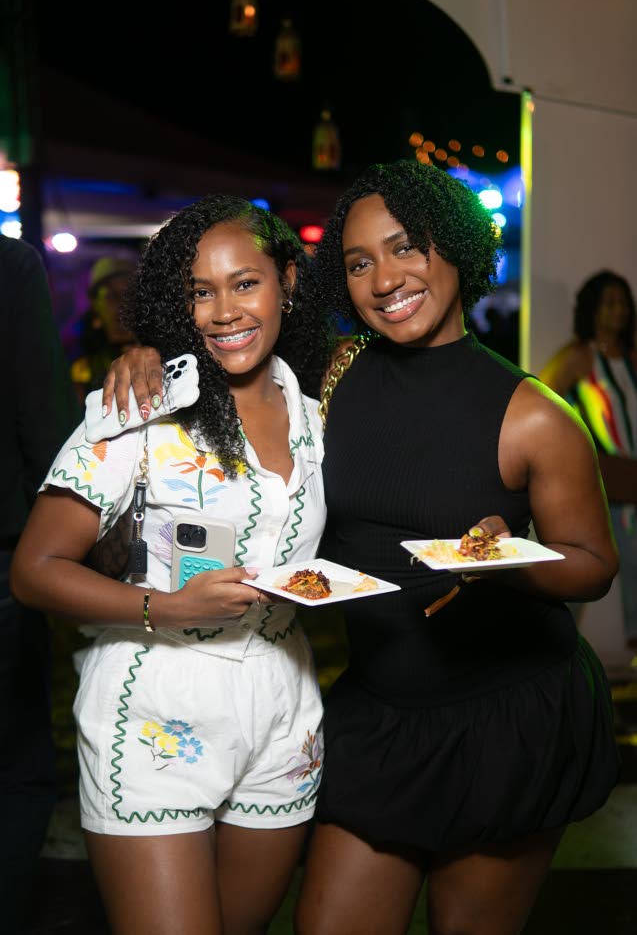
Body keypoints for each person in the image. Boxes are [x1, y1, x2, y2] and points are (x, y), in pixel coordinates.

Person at [98, 162, 620, 935]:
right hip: (376, 711)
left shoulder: (532, 413)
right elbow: (229, 345)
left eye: (406, 248)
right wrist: (146, 354)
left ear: (455, 249)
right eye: (358, 262)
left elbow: (594, 565)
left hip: (504, 717)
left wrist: (508, 560)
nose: (384, 279)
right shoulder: (336, 373)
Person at [11, 195, 330, 935]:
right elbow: (35, 569)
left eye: (244, 283)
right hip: (154, 709)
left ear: (286, 280)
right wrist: (169, 607)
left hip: (285, 708)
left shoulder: (319, 412)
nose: (224, 312)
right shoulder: (141, 405)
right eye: (199, 292)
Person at [0, 235, 80, 934]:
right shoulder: (8, 266)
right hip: (2, 552)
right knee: (17, 762)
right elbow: (42, 418)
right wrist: (58, 547)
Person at [540, 271, 637, 648]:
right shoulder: (579, 357)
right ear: (592, 309)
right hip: (602, 483)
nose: (618, 310)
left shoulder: (631, 356)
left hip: (632, 479)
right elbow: (540, 403)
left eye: (623, 302)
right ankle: (555, 654)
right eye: (609, 302)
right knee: (585, 571)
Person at [70, 256, 137, 403]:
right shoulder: (80, 366)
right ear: (95, 303)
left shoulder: (163, 352)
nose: (123, 304)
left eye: (130, 294)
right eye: (112, 296)